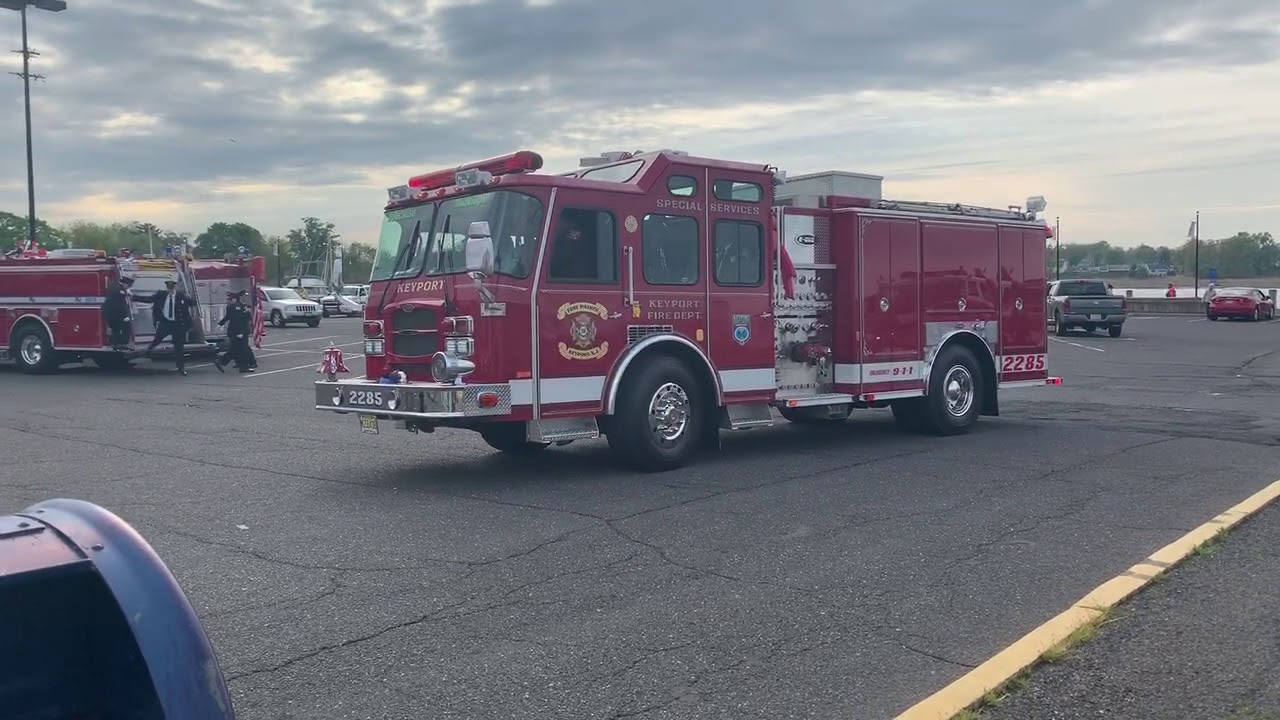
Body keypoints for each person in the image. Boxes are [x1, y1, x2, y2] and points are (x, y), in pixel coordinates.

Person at [147, 279, 195, 376]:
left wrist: (191, 299)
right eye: (168, 289)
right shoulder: (161, 295)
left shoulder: (181, 296)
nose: (170, 291)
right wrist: (133, 297)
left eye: (171, 289)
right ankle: (150, 349)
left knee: (179, 347)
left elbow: (191, 303)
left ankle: (181, 367)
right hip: (166, 322)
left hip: (178, 324)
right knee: (158, 338)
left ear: (174, 288)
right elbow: (149, 299)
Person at [214, 290, 255, 373]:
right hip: (239, 332)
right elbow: (235, 320)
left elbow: (247, 318)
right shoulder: (235, 307)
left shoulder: (243, 306)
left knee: (236, 349)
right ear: (239, 297)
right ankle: (242, 367)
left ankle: (223, 361)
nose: (246, 298)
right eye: (244, 296)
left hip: (242, 331)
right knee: (242, 349)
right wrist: (239, 332)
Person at [101, 275, 134, 350]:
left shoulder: (113, 286)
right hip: (117, 313)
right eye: (128, 286)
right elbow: (121, 304)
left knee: (115, 329)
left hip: (109, 313)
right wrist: (126, 316)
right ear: (126, 284)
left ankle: (115, 344)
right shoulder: (120, 290)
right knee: (126, 327)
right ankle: (123, 344)